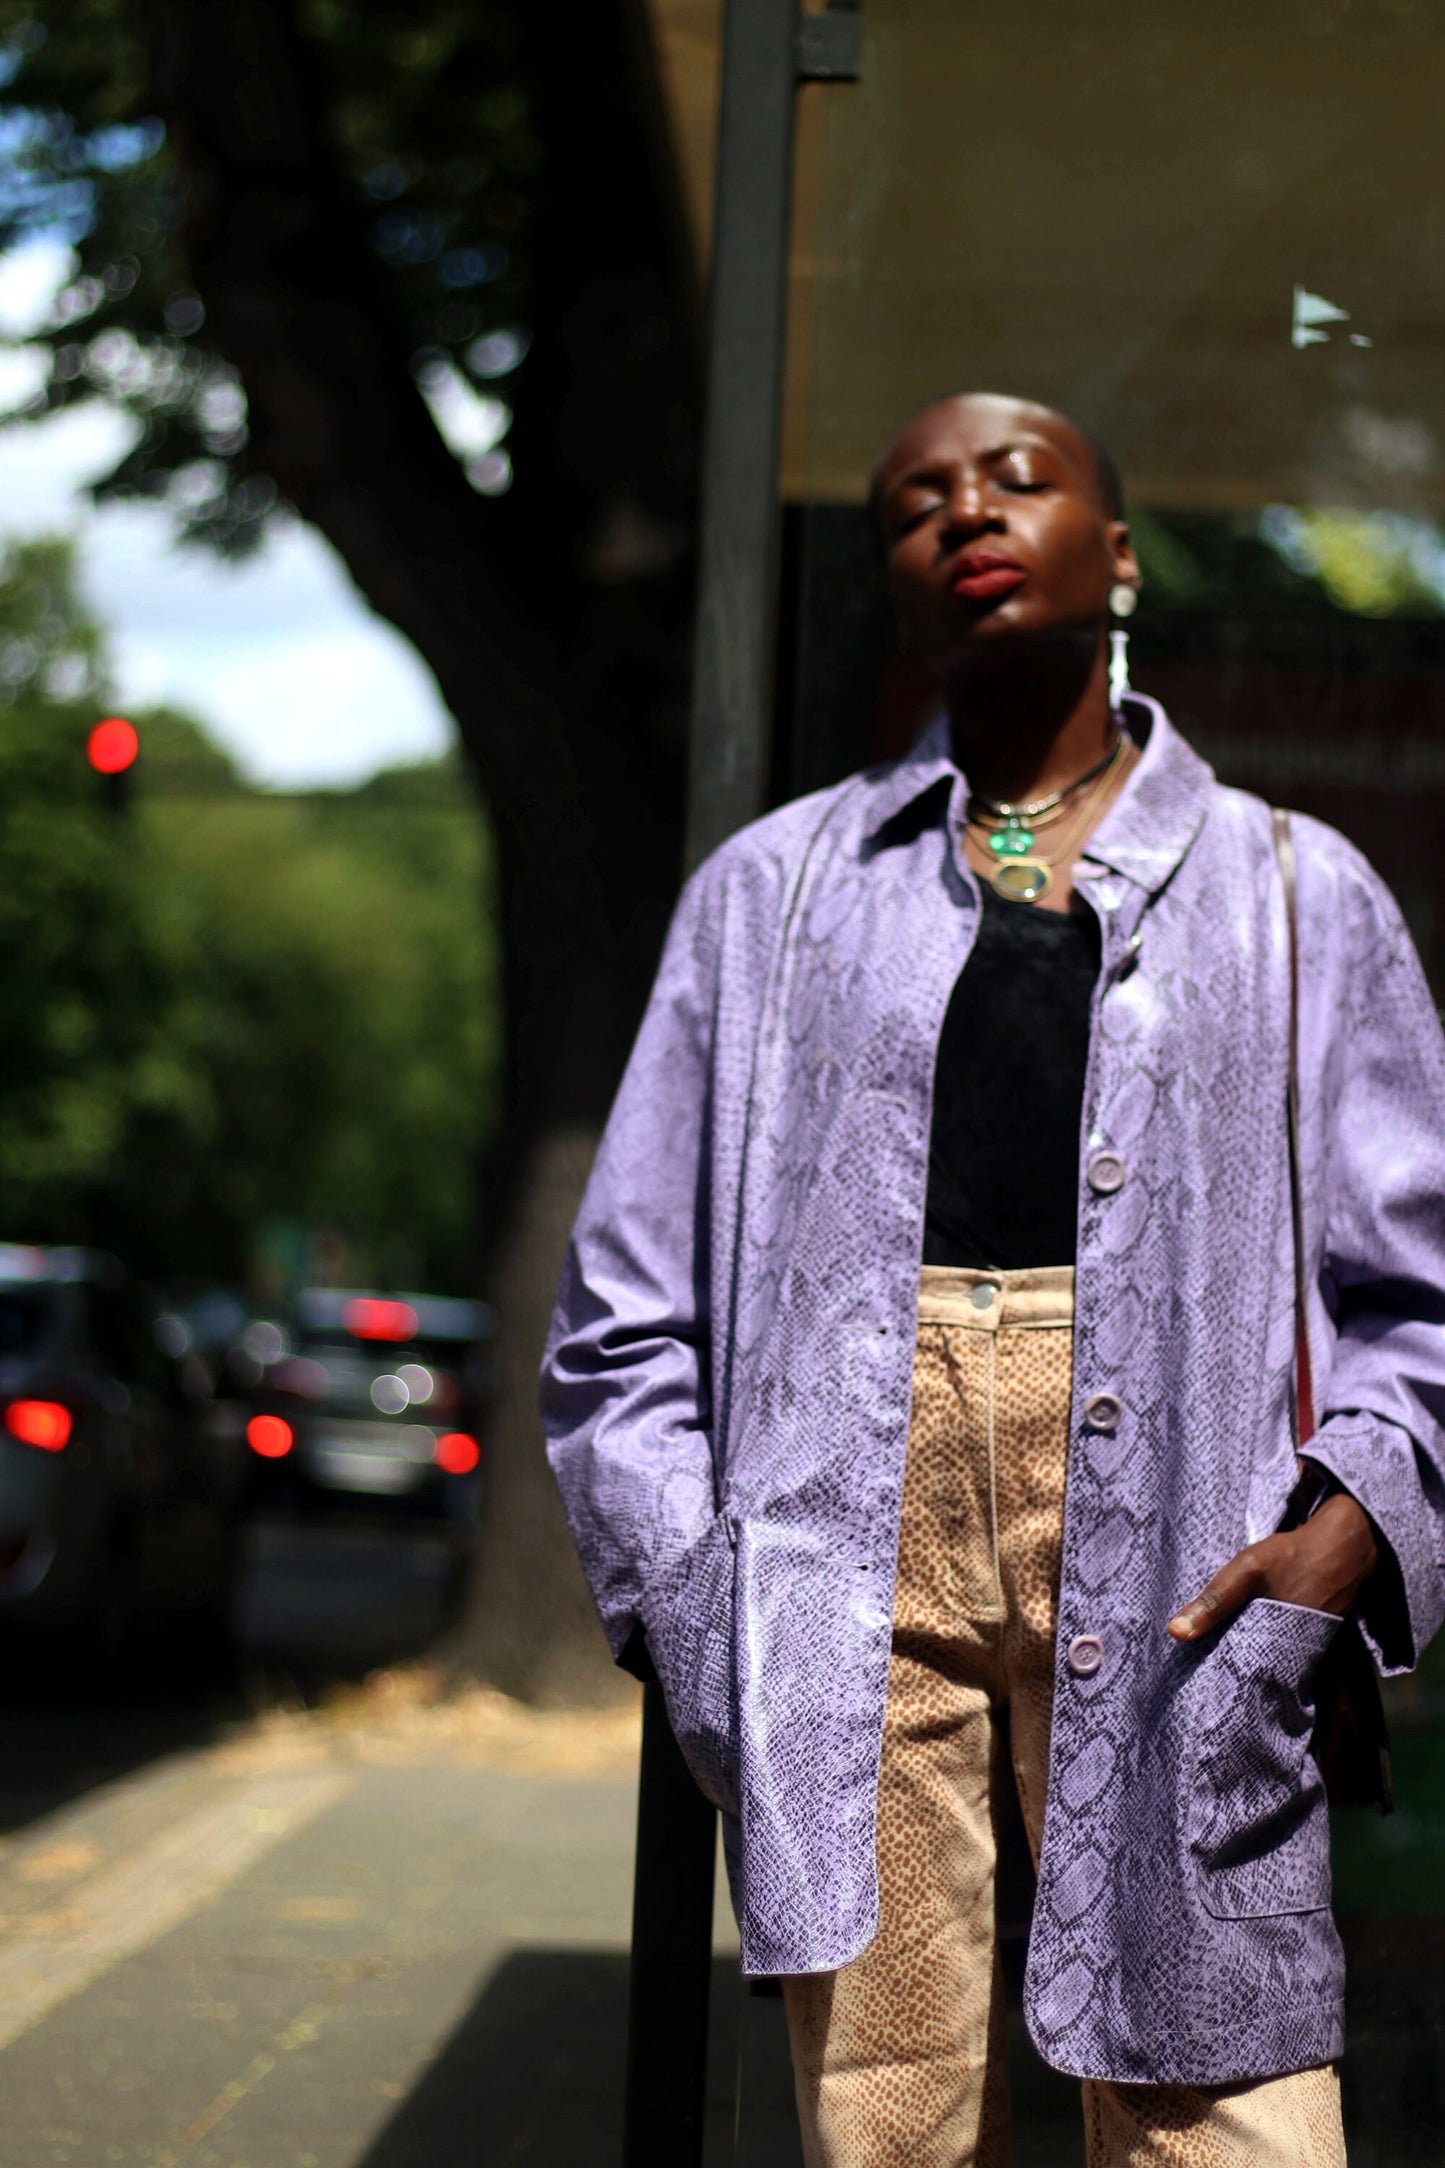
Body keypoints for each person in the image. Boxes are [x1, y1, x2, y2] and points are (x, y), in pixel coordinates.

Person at [540, 393, 1445, 2165]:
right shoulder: (772, 897)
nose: (965, 513)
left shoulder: (1291, 888)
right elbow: (622, 1309)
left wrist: (1355, 1518)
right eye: (914, 504)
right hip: (837, 1545)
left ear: (1112, 553)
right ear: (893, 586)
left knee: (1227, 2108)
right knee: (881, 2110)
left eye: (1019, 483)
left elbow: (1417, 1288)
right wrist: (696, 1590)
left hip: (1192, 1536)